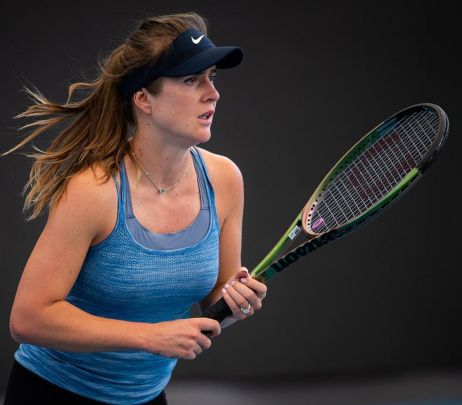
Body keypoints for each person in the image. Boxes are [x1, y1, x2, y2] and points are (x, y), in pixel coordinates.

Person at [3, 12, 267, 405]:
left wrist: (237, 301)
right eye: (191, 80)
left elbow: (217, 298)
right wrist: (149, 336)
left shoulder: (225, 179)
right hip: (53, 392)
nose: (212, 93)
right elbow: (28, 318)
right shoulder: (94, 191)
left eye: (213, 77)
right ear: (143, 99)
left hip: (144, 396)